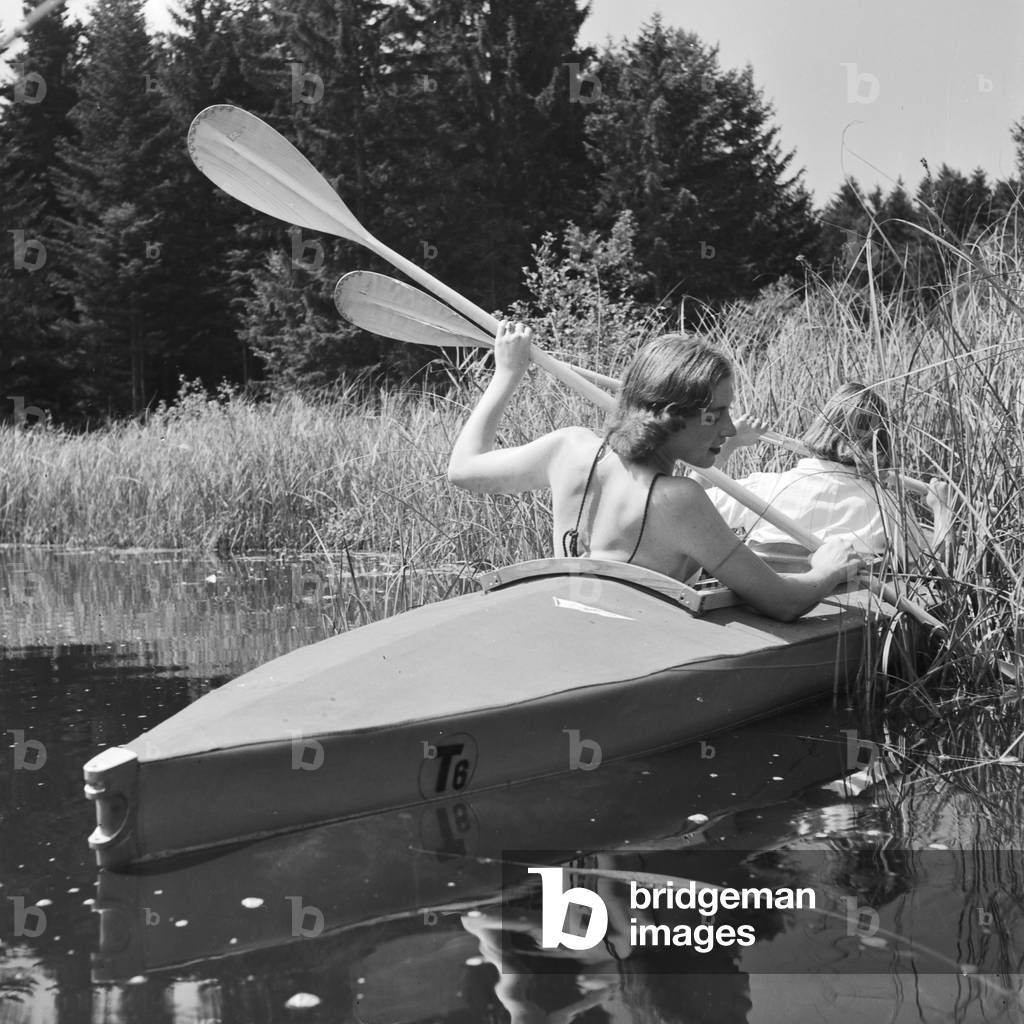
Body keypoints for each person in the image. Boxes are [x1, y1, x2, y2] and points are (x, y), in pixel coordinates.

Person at [447, 324, 864, 622]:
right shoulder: (679, 499)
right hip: (628, 643)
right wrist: (827, 569)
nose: (729, 427)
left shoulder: (568, 448)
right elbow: (783, 603)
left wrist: (507, 373)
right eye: (715, 414)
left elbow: (462, 470)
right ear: (669, 418)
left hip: (569, 618)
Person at [703, 383, 954, 563]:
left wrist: (728, 447)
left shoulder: (764, 488)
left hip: (761, 612)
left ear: (821, 427)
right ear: (882, 443)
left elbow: (689, 502)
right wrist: (942, 508)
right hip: (841, 625)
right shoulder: (887, 508)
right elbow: (936, 570)